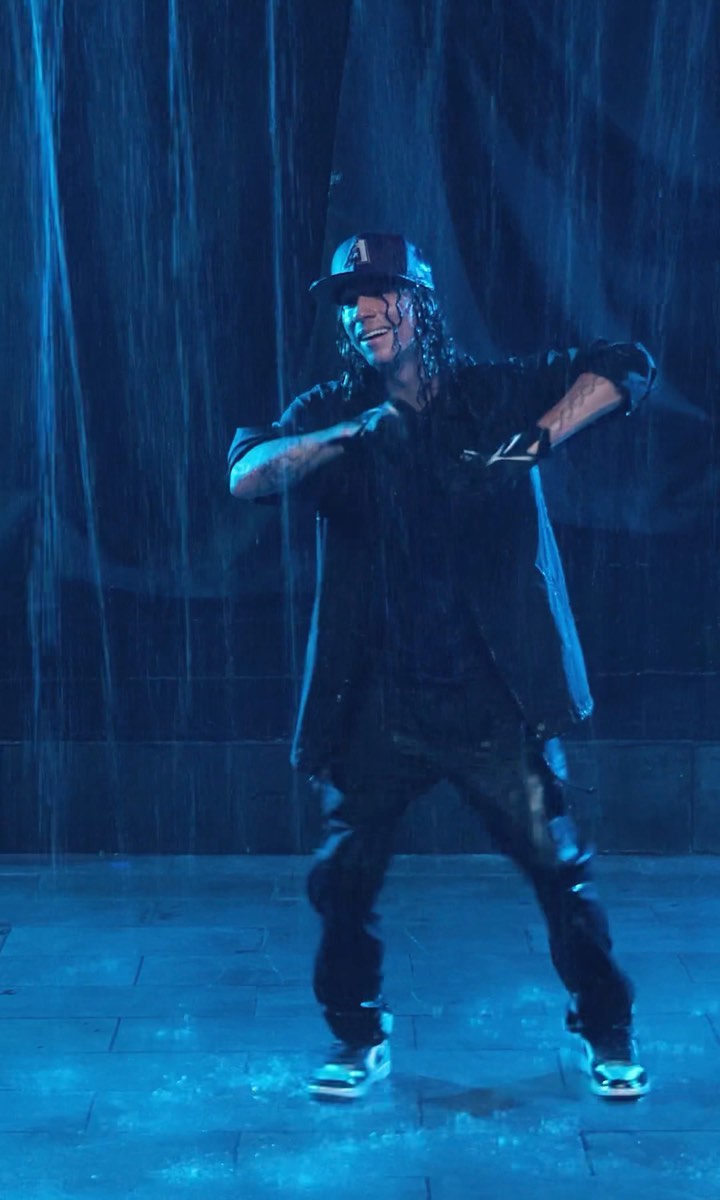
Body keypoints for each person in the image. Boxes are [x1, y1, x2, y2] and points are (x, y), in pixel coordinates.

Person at [228, 232, 656, 1102]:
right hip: (382, 709)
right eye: (350, 301)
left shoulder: (489, 392)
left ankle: (606, 1027)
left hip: (491, 704)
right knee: (343, 879)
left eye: (380, 293)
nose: (363, 313)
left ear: (421, 304)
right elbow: (247, 472)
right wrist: (351, 434)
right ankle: (358, 1035)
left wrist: (534, 440)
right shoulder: (335, 408)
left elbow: (627, 366)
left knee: (559, 872)